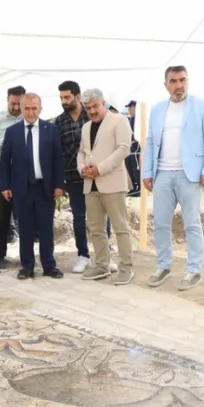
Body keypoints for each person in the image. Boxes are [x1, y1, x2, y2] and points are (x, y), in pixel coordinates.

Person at [142, 65, 204, 291]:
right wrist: (147, 172)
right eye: (173, 81)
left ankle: (194, 269)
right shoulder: (157, 110)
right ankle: (163, 266)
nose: (178, 85)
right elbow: (151, 141)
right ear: (166, 85)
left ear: (188, 81)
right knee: (160, 224)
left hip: (190, 174)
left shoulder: (201, 106)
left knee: (192, 223)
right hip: (163, 173)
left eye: (182, 80)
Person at [0, 93, 65, 280]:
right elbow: (5, 161)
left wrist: (60, 185)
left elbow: (59, 159)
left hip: (45, 188)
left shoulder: (51, 130)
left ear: (40, 109)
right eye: (27, 108)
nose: (30, 112)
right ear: (21, 108)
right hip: (22, 189)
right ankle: (27, 266)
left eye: (34, 108)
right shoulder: (12, 132)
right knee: (25, 229)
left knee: (46, 229)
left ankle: (49, 266)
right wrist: (5, 186)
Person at [77, 88, 135, 285]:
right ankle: (101, 265)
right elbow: (82, 152)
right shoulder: (85, 128)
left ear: (103, 104)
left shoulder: (120, 121)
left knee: (120, 227)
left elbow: (124, 149)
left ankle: (126, 268)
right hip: (90, 184)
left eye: (95, 106)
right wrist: (82, 168)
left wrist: (99, 169)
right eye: (88, 108)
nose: (92, 111)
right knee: (95, 229)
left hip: (113, 182)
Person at [55, 80, 92, 273]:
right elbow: (58, 153)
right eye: (61, 97)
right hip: (73, 177)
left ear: (78, 96)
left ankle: (105, 254)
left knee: (102, 217)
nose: (63, 101)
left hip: (96, 175)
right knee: (79, 217)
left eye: (67, 97)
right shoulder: (59, 121)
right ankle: (83, 255)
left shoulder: (92, 114)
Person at [0, 86, 25, 269]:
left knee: (25, 215)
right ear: (7, 100)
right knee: (4, 216)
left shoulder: (29, 117)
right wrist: (10, 139)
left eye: (20, 103)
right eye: (13, 103)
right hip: (5, 173)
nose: (17, 107)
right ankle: (0, 256)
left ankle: (26, 255)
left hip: (27, 174)